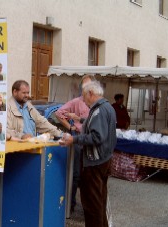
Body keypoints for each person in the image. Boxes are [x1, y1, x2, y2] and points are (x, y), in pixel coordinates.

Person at [59, 80, 117, 227]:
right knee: (100, 199)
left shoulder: (99, 110)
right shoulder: (106, 107)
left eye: (84, 97)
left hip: (95, 162)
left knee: (92, 204)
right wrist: (80, 119)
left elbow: (97, 136)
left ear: (91, 93)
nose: (83, 101)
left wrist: (74, 139)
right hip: (104, 159)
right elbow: (97, 123)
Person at [55, 75, 93, 213]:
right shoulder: (77, 101)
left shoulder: (96, 103)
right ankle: (69, 206)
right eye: (85, 86)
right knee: (75, 173)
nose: (87, 89)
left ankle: (88, 208)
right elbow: (59, 113)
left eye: (90, 86)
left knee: (89, 175)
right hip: (78, 138)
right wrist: (69, 126)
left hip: (91, 140)